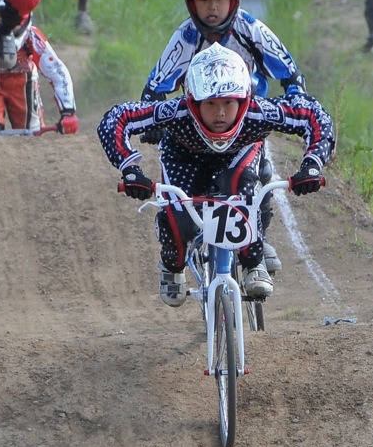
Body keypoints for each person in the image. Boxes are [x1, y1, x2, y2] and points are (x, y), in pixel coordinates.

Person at [98, 44, 334, 307]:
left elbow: (315, 115)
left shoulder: (260, 112)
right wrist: (130, 169)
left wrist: (312, 164)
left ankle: (253, 262)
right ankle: (172, 266)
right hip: (184, 158)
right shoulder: (176, 112)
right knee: (179, 218)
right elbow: (115, 119)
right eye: (210, 103)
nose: (220, 113)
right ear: (193, 101)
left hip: (239, 154)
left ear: (244, 99)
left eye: (228, 102)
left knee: (243, 190)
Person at [140, 0, 309, 275]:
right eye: (203, 1)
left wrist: (295, 102)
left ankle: (257, 241)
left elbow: (289, 72)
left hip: (246, 121)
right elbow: (156, 85)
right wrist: (152, 118)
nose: (212, 8)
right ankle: (172, 258)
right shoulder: (186, 37)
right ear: (191, 3)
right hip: (196, 125)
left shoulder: (251, 29)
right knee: (177, 197)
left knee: (258, 177)